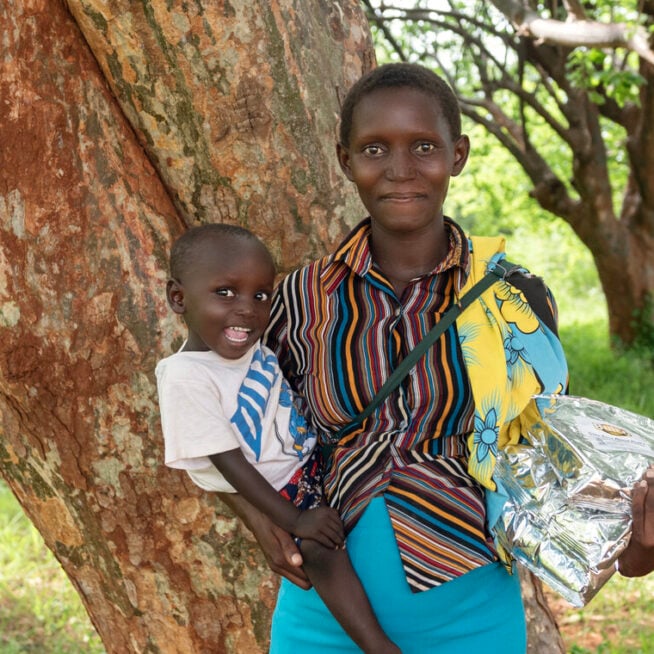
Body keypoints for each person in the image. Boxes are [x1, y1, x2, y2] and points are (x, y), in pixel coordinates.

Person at [218, 62, 654, 653]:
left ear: (459, 154)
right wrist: (255, 514)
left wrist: (635, 544)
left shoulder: (514, 299)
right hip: (323, 619)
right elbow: (216, 415)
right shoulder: (298, 299)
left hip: (471, 618)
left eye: (424, 146)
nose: (400, 170)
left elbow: (547, 457)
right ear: (346, 160)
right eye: (375, 148)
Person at [155, 223, 401, 654]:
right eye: (225, 293)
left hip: (311, 464)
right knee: (318, 551)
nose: (247, 309)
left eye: (260, 295)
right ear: (179, 298)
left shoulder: (252, 347)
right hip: (281, 489)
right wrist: (293, 519)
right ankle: (377, 644)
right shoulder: (185, 376)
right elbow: (228, 464)